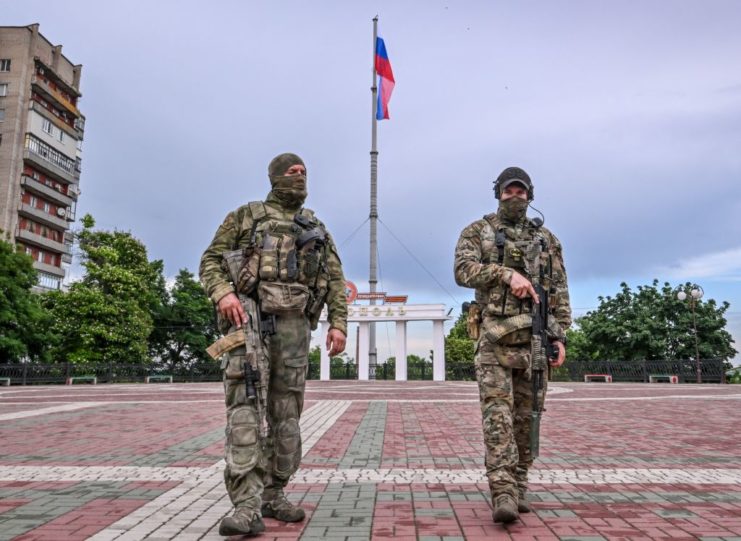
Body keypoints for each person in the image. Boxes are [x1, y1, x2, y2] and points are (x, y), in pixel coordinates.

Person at [200, 153, 348, 536]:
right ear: (274, 177)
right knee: (246, 411)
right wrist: (223, 295)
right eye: (292, 172)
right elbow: (211, 260)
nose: (299, 177)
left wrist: (339, 324)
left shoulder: (314, 225)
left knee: (287, 417)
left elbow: (334, 278)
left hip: (295, 329)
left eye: (304, 172)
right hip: (248, 322)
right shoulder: (246, 216)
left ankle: (274, 493)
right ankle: (246, 506)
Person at [453, 166, 571, 524]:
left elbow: (560, 289)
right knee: (498, 419)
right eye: (509, 191)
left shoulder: (547, 240)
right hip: (494, 342)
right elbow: (462, 269)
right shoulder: (479, 232)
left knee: (527, 419)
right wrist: (506, 274)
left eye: (521, 192)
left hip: (535, 341)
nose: (515, 197)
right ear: (498, 193)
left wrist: (560, 335)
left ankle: (519, 484)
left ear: (530, 195)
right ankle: (502, 491)